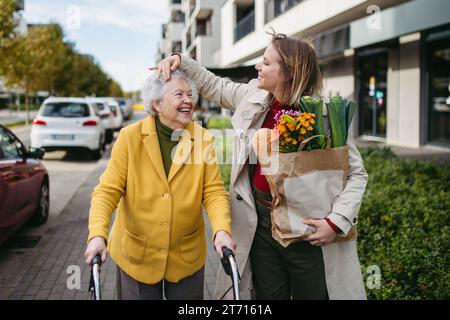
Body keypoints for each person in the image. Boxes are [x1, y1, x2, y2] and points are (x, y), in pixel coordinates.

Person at [150, 31, 368, 300]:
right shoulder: (254, 96)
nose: (257, 67)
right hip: (260, 226)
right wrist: (180, 60)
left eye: (265, 63)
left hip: (308, 231)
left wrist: (335, 223)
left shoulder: (323, 116)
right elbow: (214, 85)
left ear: (288, 72)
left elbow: (357, 174)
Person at [84, 70, 236, 300]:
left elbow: (213, 191)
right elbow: (107, 192)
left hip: (186, 255)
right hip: (137, 256)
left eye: (189, 94)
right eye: (179, 94)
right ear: (157, 104)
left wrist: (222, 231)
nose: (188, 100)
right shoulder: (130, 138)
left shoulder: (202, 139)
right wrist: (97, 235)